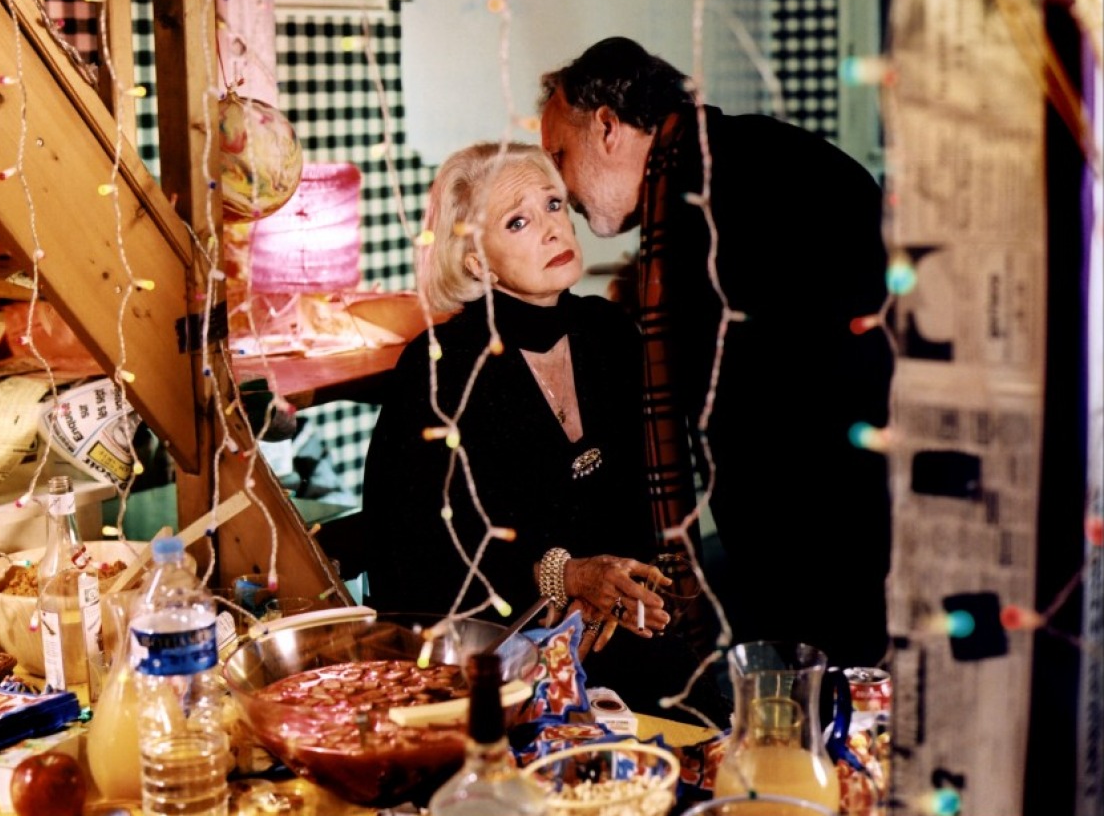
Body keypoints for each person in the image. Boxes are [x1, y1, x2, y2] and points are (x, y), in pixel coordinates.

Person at [538, 37, 894, 669]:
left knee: (833, 701)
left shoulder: (709, 199)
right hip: (860, 510)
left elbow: (763, 401)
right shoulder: (739, 154)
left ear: (608, 126)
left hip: (830, 532)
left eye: (560, 154)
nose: (561, 186)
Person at [361, 141, 715, 718]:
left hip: (626, 638)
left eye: (554, 204)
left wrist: (620, 585)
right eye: (518, 221)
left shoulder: (611, 334)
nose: (553, 229)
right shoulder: (439, 368)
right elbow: (412, 559)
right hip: (499, 665)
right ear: (477, 262)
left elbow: (652, 500)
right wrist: (563, 576)